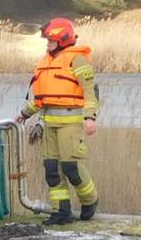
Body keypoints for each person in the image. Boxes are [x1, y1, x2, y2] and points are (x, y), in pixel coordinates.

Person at [18, 17, 100, 225]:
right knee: (52, 169)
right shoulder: (46, 62)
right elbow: (41, 97)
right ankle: (61, 212)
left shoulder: (77, 60)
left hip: (70, 124)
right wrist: (25, 113)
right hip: (49, 124)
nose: (47, 44)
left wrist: (90, 118)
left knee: (71, 167)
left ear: (62, 39)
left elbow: (90, 91)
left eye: (50, 41)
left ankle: (90, 200)